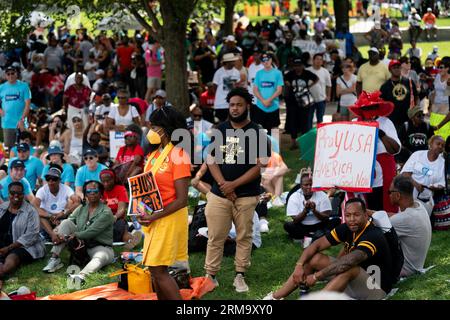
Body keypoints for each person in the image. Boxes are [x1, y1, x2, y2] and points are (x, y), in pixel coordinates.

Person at [204, 87, 270, 293]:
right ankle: (210, 276)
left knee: (244, 236)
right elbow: (211, 159)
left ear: (247, 106)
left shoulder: (258, 132)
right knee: (215, 236)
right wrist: (224, 185)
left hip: (246, 196)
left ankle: (239, 275)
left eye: (239, 104)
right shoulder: (220, 130)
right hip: (219, 194)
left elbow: (260, 165)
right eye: (232, 104)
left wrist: (234, 185)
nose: (234, 108)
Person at [264, 198, 396, 300]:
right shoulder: (347, 227)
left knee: (348, 268)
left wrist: (316, 277)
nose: (351, 220)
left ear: (366, 216)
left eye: (356, 215)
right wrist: (299, 265)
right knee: (314, 258)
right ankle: (275, 297)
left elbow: (348, 262)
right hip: (356, 280)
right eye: (348, 215)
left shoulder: (373, 235)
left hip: (375, 287)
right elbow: (316, 245)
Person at [136, 106, 191, 300]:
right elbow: (147, 188)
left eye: (154, 126)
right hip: (154, 218)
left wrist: (154, 215)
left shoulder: (178, 155)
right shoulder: (152, 155)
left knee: (159, 270)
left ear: (165, 129)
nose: (149, 131)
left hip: (169, 217)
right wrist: (141, 211)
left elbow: (182, 199)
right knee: (154, 270)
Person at [42, 180, 114, 283]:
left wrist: (73, 235)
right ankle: (55, 258)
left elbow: (91, 232)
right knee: (66, 222)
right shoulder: (82, 207)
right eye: (89, 191)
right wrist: (57, 233)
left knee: (101, 256)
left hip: (99, 246)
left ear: (101, 193)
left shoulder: (106, 212)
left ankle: (81, 276)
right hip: (81, 244)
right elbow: (70, 220)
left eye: (95, 190)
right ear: (85, 194)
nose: (92, 193)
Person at [349, 91, 401, 213]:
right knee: (364, 204)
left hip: (384, 172)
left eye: (372, 107)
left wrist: (381, 134)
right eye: (366, 108)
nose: (369, 111)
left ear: (377, 107)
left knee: (383, 203)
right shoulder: (354, 123)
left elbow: (396, 150)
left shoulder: (386, 122)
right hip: (362, 171)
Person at [0, 182, 45, 290]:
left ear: (23, 194)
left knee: (12, 258)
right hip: (3, 244)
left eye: (19, 193)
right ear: (8, 194)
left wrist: (9, 248)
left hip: (25, 246)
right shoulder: (2, 207)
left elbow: (31, 236)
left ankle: (1, 273)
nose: (16, 195)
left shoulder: (31, 211)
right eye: (13, 193)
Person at [388, 175, 432, 277]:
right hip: (416, 265)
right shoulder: (419, 206)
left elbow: (381, 224)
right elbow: (396, 217)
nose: (389, 195)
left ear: (398, 195)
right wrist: (371, 212)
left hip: (405, 271)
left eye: (390, 192)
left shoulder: (403, 219)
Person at [401, 135, 445, 214]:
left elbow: (442, 183)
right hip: (408, 197)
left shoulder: (443, 163)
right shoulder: (417, 155)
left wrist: (436, 187)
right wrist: (416, 184)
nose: (440, 147)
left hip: (426, 201)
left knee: (421, 223)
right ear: (430, 144)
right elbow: (405, 173)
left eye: (442, 146)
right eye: (438, 144)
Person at [35, 167, 79, 244]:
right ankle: (53, 235)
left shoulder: (66, 188)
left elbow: (77, 202)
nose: (51, 181)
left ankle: (51, 235)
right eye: (48, 179)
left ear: (59, 180)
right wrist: (50, 215)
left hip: (61, 217)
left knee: (71, 204)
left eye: (54, 179)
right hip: (47, 217)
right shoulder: (42, 190)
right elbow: (34, 207)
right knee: (40, 215)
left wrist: (64, 212)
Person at [100, 169, 141, 250]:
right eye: (103, 181)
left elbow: (121, 209)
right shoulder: (99, 190)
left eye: (108, 181)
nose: (106, 184)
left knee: (122, 232)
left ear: (114, 179)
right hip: (102, 220)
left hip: (117, 219)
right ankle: (131, 235)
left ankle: (132, 239)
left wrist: (114, 217)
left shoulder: (120, 189)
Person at [284, 171, 332, 241]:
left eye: (311, 184)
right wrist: (305, 210)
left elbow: (325, 217)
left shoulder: (322, 195)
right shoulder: (294, 197)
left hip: (319, 224)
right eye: (306, 185)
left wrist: (314, 211)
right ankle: (315, 236)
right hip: (302, 225)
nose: (309, 187)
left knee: (336, 221)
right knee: (288, 225)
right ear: (301, 186)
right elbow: (296, 220)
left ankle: (308, 236)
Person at [284, 57, 319, 149]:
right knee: (293, 121)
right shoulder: (290, 74)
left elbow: (316, 78)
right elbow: (285, 79)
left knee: (305, 122)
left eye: (299, 66)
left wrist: (309, 86)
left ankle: (304, 142)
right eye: (295, 66)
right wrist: (289, 85)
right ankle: (293, 142)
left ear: (302, 66)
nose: (297, 68)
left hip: (305, 101)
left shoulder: (307, 73)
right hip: (292, 101)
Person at [380, 60, 419, 130]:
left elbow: (416, 97)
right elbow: (382, 103)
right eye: (394, 68)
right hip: (392, 120)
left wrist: (416, 111)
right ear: (390, 70)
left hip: (408, 119)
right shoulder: (385, 86)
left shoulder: (408, 82)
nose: (397, 69)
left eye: (398, 67)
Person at [0, 66, 31, 150]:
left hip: (21, 123)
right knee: (11, 148)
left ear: (16, 74)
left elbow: (28, 104)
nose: (10, 75)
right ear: (5, 75)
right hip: (7, 123)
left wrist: (22, 119)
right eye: (8, 74)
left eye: (12, 73)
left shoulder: (24, 86)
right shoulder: (1, 87)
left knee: (24, 147)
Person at [252, 52, 284, 133]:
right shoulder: (259, 73)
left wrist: (269, 100)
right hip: (260, 106)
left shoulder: (278, 73)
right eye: (263, 60)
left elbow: (279, 90)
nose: (266, 62)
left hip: (273, 106)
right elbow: (255, 90)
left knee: (274, 130)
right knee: (260, 130)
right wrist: (263, 101)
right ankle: (261, 146)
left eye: (267, 59)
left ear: (271, 60)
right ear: (261, 62)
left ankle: (275, 146)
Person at [213, 53, 242, 123]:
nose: (234, 62)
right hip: (220, 104)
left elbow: (238, 86)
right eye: (232, 61)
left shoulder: (237, 72)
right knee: (222, 124)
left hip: (232, 103)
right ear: (227, 63)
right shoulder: (219, 72)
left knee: (233, 123)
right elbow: (215, 86)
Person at [306, 53, 331, 128]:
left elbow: (329, 85)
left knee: (320, 119)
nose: (319, 61)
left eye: (321, 59)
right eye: (317, 59)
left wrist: (328, 96)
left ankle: (319, 135)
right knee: (308, 119)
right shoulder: (307, 70)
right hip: (309, 99)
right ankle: (309, 135)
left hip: (321, 99)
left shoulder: (325, 71)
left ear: (323, 61)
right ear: (313, 60)